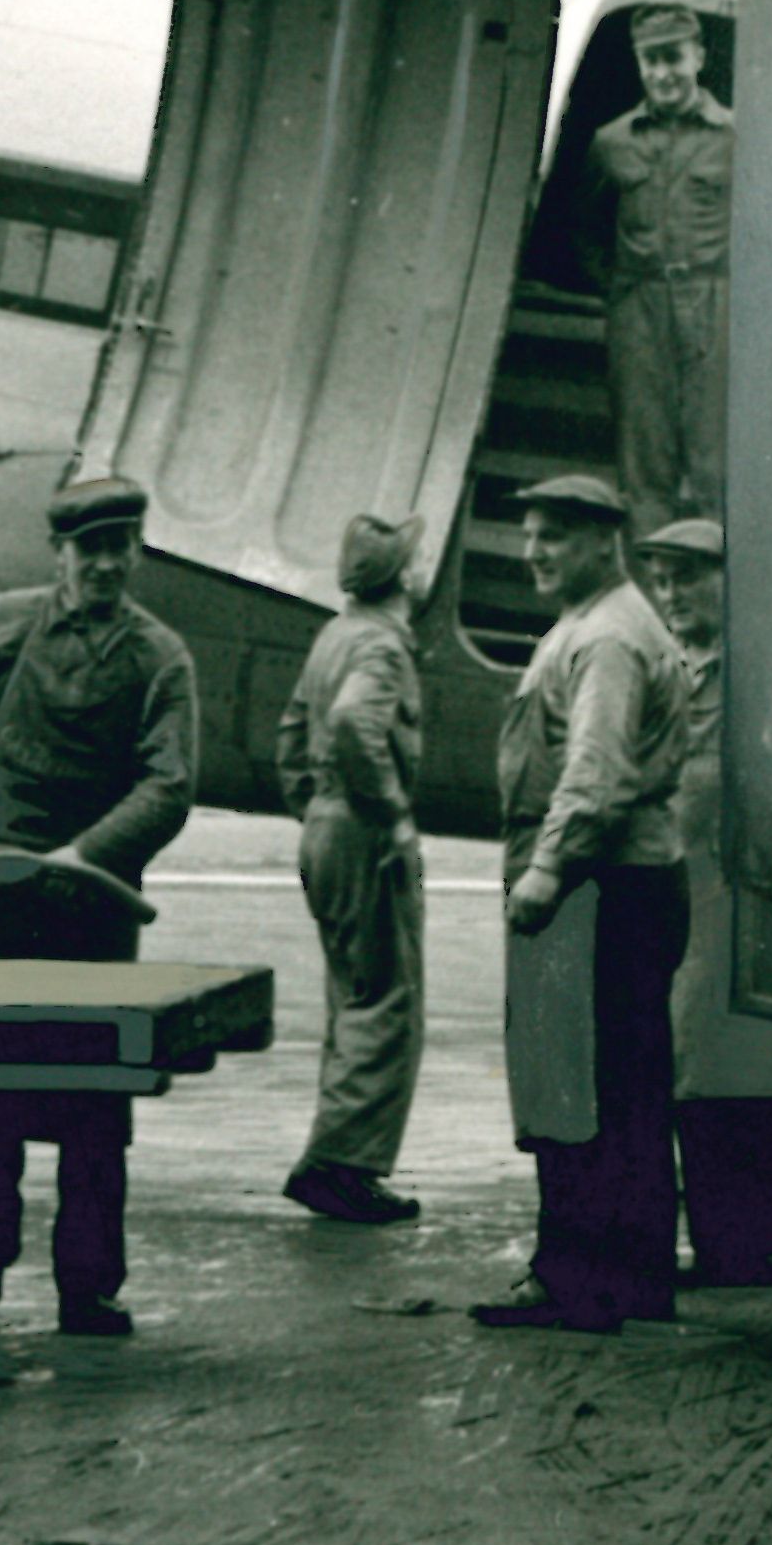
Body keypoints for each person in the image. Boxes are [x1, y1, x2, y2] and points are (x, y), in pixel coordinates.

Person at [0, 473, 197, 1338]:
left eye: (120, 549)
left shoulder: (158, 656)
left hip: (93, 910)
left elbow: (171, 784)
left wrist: (88, 855)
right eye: (89, 549)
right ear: (57, 553)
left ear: (136, 552)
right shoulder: (2, 622)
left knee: (92, 1106)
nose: (106, 565)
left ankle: (87, 1286)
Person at [476, 473, 692, 1334]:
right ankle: (629, 1279)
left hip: (594, 883)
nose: (533, 552)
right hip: (621, 880)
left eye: (553, 537)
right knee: (621, 1089)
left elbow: (595, 775)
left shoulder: (605, 638)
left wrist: (545, 872)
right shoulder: (600, 624)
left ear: (604, 542)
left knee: (575, 1091)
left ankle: (575, 1279)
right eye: (530, 535)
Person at [638, 516, 772, 1295]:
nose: (674, 593)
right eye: (663, 580)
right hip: (693, 900)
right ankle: (735, 1248)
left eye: (691, 577)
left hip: (761, 903)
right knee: (700, 1075)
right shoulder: (671, 665)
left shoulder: (767, 666)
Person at [275, 512, 430, 1232]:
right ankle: (342, 1166)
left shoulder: (335, 633)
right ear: (401, 575)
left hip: (326, 825)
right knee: (385, 1000)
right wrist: (391, 813)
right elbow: (350, 723)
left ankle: (338, 1156)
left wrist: (314, 804)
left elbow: (291, 731)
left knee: (352, 995)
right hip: (364, 832)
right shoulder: (381, 646)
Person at [588, 3, 733, 530]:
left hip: (715, 305)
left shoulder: (736, 137)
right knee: (645, 467)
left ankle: (715, 604)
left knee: (717, 460)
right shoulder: (612, 142)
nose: (662, 73)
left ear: (698, 56)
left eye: (673, 58)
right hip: (640, 310)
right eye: (650, 61)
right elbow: (584, 228)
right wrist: (620, 288)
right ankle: (655, 605)